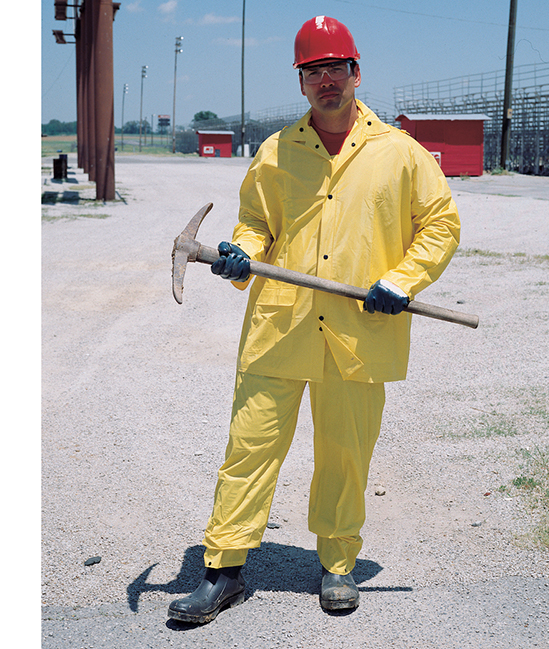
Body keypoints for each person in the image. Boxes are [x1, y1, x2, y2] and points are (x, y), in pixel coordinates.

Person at [168, 15, 460, 624]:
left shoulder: (400, 153)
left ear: (356, 72)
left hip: (359, 330)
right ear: (301, 82)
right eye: (313, 72)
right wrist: (239, 256)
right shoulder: (278, 152)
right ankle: (223, 571)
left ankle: (338, 565)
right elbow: (255, 222)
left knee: (345, 455)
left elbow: (439, 226)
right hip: (281, 327)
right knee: (248, 449)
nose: (326, 80)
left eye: (335, 68)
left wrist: (400, 282)